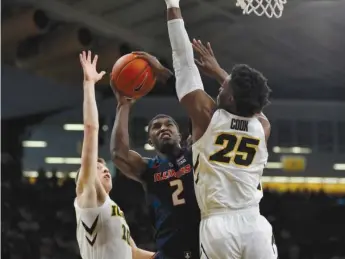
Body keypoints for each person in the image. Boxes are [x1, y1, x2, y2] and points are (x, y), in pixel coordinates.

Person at [134, 1, 276, 258]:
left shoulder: (208, 119)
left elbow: (184, 62)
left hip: (219, 226)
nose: (220, 88)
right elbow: (253, 104)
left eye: (224, 88)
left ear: (231, 99)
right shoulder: (262, 127)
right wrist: (223, 74)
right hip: (255, 225)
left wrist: (172, 5)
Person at [110, 61, 200, 259]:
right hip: (170, 251)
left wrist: (165, 74)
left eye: (169, 124)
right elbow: (118, 153)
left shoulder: (195, 152)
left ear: (181, 134)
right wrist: (123, 106)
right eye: (156, 127)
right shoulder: (148, 169)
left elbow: (196, 103)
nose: (163, 128)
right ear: (150, 140)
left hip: (205, 246)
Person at [74, 50, 154, 259]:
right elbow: (91, 129)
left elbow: (133, 252)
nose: (104, 170)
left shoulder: (113, 208)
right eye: (98, 169)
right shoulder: (88, 197)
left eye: (104, 167)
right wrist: (89, 85)